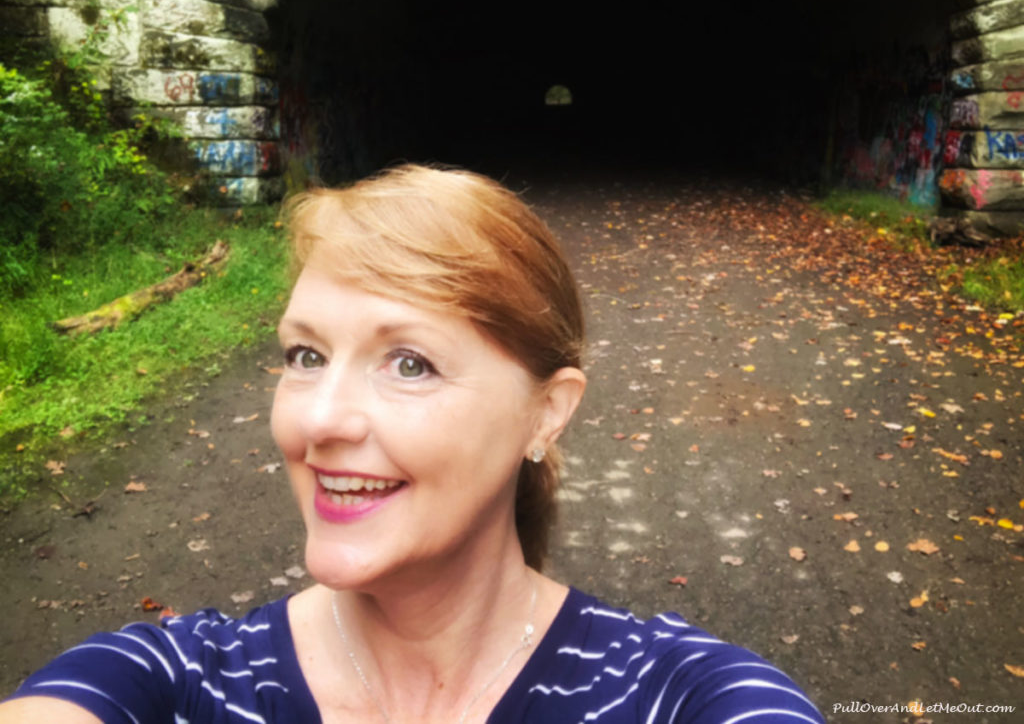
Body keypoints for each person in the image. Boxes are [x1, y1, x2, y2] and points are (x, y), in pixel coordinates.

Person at [1, 165, 824, 723]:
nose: (321, 419)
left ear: (547, 412)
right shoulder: (168, 684)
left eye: (410, 363)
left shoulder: (678, 697)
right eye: (306, 355)